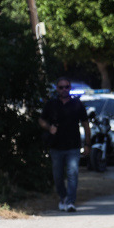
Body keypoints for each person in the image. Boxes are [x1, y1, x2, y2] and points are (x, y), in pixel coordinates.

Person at [40, 77, 92, 212]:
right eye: (61, 87)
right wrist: (49, 127)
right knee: (57, 175)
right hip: (56, 146)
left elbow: (86, 125)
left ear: (70, 88)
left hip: (73, 146)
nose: (64, 90)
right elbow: (41, 120)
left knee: (72, 173)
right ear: (57, 89)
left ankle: (70, 202)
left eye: (66, 87)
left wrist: (87, 144)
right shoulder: (52, 104)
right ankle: (63, 197)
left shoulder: (77, 104)